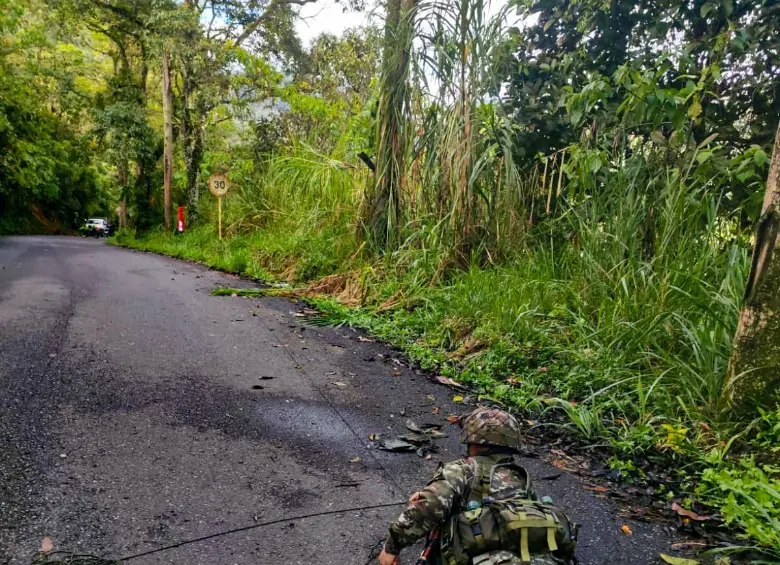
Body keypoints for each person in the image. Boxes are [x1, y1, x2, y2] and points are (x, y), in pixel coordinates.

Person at [378, 407, 577, 565]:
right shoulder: (522, 477)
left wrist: (391, 548)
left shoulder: (461, 469)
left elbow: (426, 510)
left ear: (473, 439)